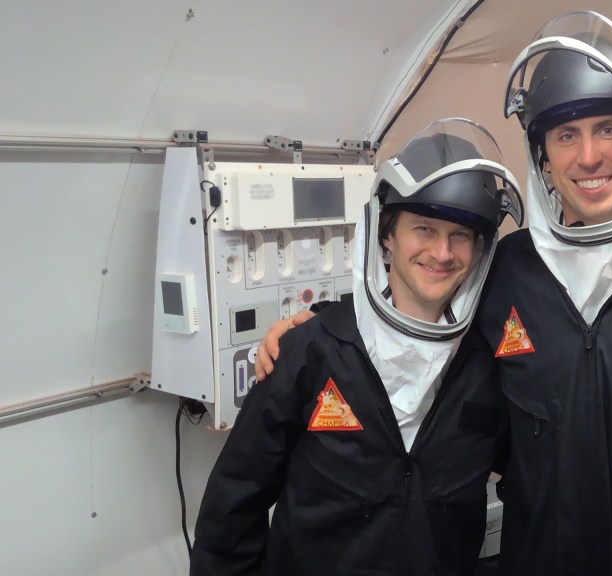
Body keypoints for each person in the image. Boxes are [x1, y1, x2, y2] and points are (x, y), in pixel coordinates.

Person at [258, 11, 612, 575]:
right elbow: (426, 326)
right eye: (566, 135)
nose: (588, 156)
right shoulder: (507, 272)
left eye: (609, 129)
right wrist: (325, 326)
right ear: (542, 154)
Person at [190, 118, 523, 576]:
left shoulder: (489, 368)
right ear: (387, 234)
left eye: (460, 235)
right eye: (424, 229)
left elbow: (535, 472)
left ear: (481, 248)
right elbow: (232, 508)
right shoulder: (311, 351)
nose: (442, 253)